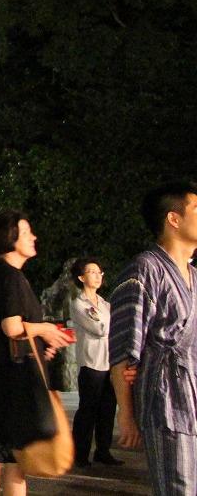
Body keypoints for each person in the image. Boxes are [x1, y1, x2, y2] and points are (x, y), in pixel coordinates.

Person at [0, 212, 71, 496]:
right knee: (7, 456)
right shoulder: (10, 275)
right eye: (26, 231)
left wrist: (44, 342)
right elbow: (12, 327)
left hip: (0, 373)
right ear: (9, 237)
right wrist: (44, 329)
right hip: (7, 379)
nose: (33, 237)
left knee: (4, 456)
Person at [111, 182, 197, 495]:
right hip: (167, 400)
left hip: (193, 393)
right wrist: (127, 415)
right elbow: (123, 350)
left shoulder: (193, 275)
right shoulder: (144, 270)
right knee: (179, 488)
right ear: (174, 219)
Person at [68, 255, 119, 468]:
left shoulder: (105, 303)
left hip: (110, 362)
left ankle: (103, 450)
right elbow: (100, 329)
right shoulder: (79, 304)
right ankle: (80, 454)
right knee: (88, 410)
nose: (98, 276)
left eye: (99, 272)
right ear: (81, 277)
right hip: (91, 363)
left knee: (108, 408)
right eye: (92, 272)